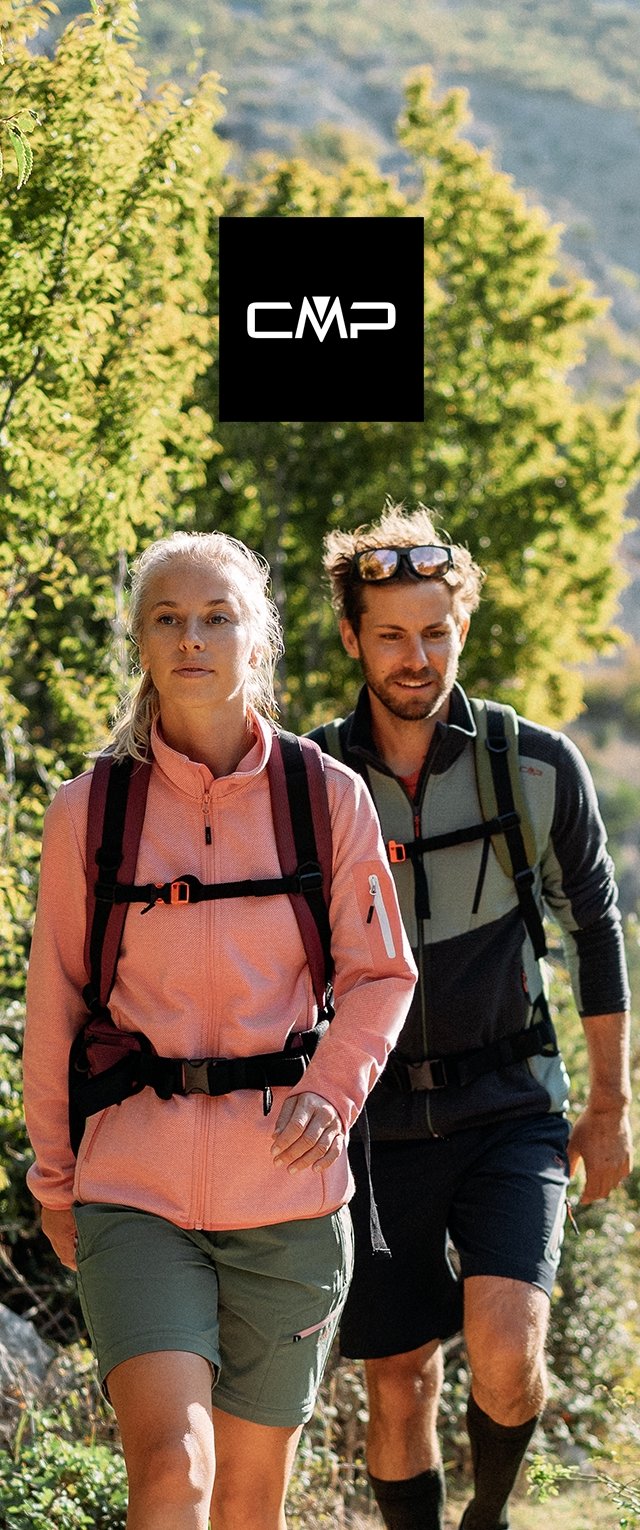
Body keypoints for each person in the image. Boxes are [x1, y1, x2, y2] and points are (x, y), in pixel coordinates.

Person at [22, 528, 417, 1530]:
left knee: (247, 1502)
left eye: (216, 616)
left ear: (258, 642)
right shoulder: (90, 811)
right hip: (132, 1189)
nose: (191, 638)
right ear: (142, 646)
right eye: (167, 618)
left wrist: (331, 1094)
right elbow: (58, 1004)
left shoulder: (325, 798)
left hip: (286, 1199)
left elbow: (380, 976)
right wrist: (56, 1177)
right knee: (170, 1472)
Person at [310, 501, 633, 1530]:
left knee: (505, 1359)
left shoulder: (532, 764)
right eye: (392, 634)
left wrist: (610, 1107)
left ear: (463, 627)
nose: (417, 656)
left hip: (509, 1107)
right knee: (397, 1383)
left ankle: (486, 1519)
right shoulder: (306, 778)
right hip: (369, 1128)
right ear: (353, 636)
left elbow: (595, 931)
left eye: (436, 630)